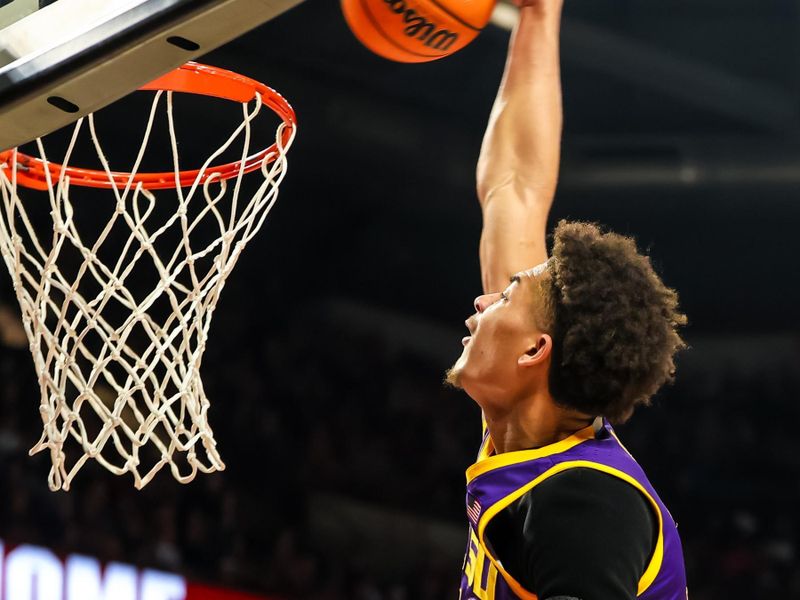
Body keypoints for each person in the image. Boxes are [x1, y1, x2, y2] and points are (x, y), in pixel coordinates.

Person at [446, 1, 689, 599]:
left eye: (505, 296)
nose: (482, 302)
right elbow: (516, 185)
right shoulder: (534, 424)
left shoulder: (585, 503)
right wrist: (539, 14)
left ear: (534, 350)